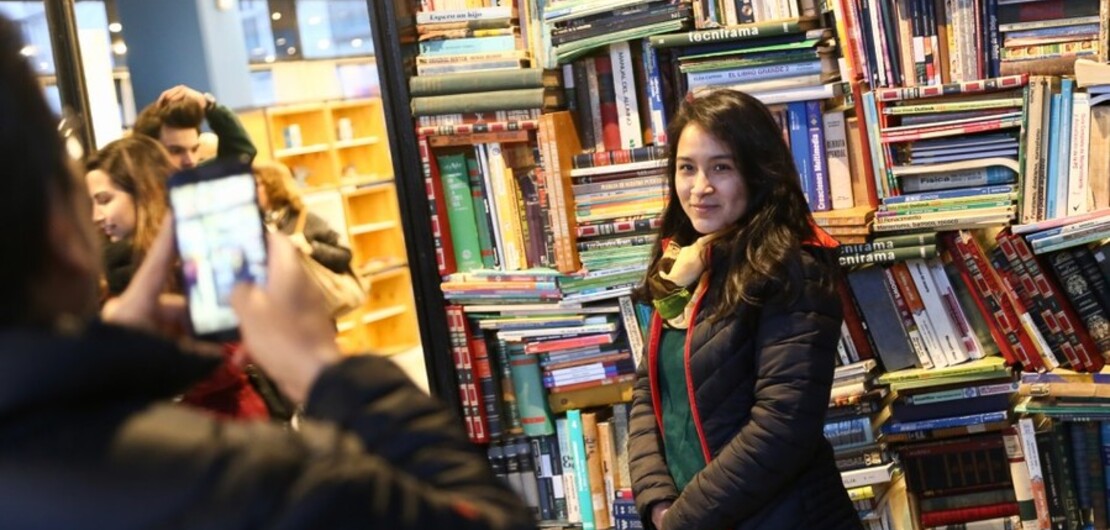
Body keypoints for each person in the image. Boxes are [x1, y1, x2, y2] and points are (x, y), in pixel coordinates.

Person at [0, 14, 533, 529]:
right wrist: (325, 370)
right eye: (82, 194)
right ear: (61, 233)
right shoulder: (243, 478)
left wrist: (114, 370)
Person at [628, 90, 861, 530]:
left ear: (758, 173)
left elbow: (782, 426)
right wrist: (656, 499)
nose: (700, 188)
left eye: (721, 167)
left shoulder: (794, 270)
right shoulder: (683, 266)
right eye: (687, 168)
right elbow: (649, 390)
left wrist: (681, 519)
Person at [85, 135, 175, 297]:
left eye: (104, 200)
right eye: (91, 204)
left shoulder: (188, 263)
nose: (95, 217)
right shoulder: (103, 269)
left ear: (143, 195)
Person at [254, 161, 354, 275]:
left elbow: (345, 255)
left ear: (273, 186)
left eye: (257, 184)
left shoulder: (305, 219)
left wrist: (310, 249)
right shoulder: (257, 224)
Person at [133, 84, 257, 170]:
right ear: (146, 154)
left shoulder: (197, 181)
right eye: (175, 151)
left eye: (194, 149)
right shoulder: (132, 197)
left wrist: (208, 106)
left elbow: (241, 153)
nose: (190, 161)